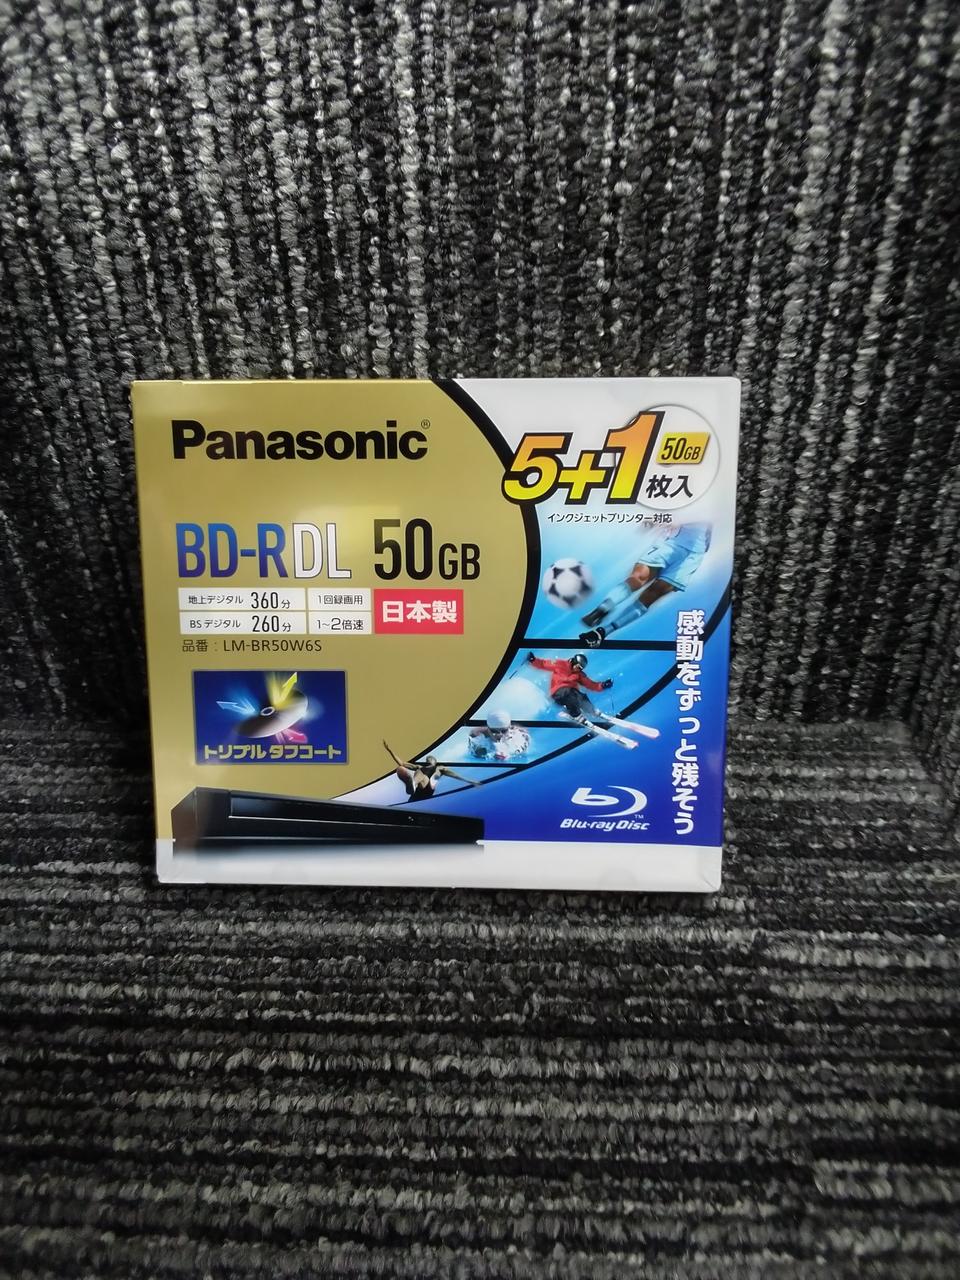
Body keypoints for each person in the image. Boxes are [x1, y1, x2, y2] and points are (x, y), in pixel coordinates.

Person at [580, 522, 711, 645]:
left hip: (693, 551)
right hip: (675, 541)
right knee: (643, 583)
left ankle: (603, 621)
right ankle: (603, 619)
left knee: (647, 587)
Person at [525, 652, 613, 721]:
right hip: (558, 693)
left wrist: (603, 685)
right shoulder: (560, 664)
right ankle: (576, 715)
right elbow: (544, 664)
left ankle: (591, 710)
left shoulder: (579, 674)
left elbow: (590, 684)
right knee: (570, 693)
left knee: (581, 696)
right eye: (578, 666)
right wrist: (533, 660)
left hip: (571, 693)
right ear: (574, 662)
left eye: (580, 668)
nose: (578, 669)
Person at [382, 741, 479, 801]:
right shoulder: (420, 767)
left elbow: (455, 775)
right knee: (419, 770)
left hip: (428, 788)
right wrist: (390, 751)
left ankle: (412, 784)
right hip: (419, 789)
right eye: (427, 759)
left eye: (430, 758)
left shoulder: (439, 768)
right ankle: (412, 784)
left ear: (435, 761)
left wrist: (469, 781)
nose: (428, 759)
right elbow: (402, 763)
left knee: (433, 771)